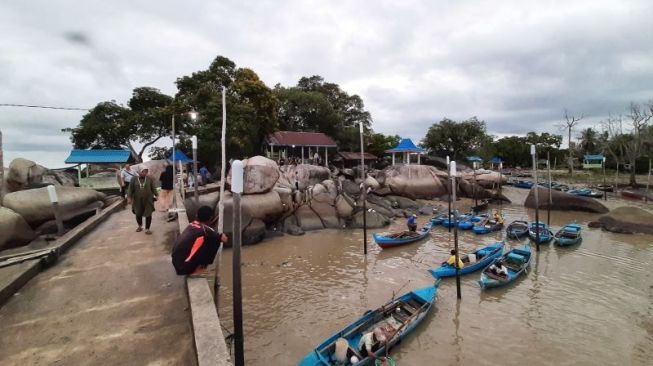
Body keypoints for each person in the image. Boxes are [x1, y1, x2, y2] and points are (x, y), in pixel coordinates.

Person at [171, 206, 228, 275]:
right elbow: (224, 239)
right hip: (183, 268)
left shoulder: (192, 224)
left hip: (177, 263)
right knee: (215, 240)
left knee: (210, 238)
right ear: (210, 218)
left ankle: (195, 267)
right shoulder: (205, 230)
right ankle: (198, 268)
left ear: (196, 215)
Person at [127, 167, 158, 234]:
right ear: (139, 172)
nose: (145, 173)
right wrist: (129, 198)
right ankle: (140, 226)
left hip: (148, 200)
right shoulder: (134, 179)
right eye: (143, 171)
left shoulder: (149, 179)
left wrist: (156, 195)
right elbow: (130, 189)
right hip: (137, 200)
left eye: (146, 172)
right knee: (138, 213)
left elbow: (153, 188)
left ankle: (147, 229)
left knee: (148, 213)